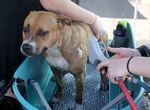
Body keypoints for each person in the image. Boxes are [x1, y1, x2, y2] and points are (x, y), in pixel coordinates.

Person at [0, 0, 104, 109]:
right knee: (55, 69)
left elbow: (81, 76)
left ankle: (79, 99)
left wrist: (79, 101)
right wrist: (94, 19)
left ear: (63, 23)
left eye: (42, 33)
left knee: (80, 73)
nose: (27, 43)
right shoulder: (45, 46)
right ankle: (59, 89)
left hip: (77, 40)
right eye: (26, 30)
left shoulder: (73, 47)